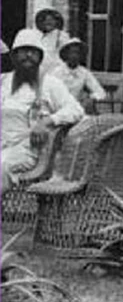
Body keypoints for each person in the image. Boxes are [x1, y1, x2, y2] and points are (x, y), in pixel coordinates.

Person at [1, 29, 84, 192]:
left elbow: (75, 109)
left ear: (40, 57)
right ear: (14, 56)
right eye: (23, 51)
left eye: (33, 52)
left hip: (28, 151)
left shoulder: (51, 84)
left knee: (1, 164)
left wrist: (47, 121)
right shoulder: (3, 81)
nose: (28, 56)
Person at [51, 37, 107, 112]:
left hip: (77, 109)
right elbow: (48, 92)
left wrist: (91, 98)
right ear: (66, 55)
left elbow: (101, 92)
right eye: (71, 52)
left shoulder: (84, 73)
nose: (74, 56)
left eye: (77, 53)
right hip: (58, 109)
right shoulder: (56, 72)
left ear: (81, 56)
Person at [34, 7, 71, 75]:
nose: (48, 22)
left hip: (57, 68)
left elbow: (66, 53)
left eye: (51, 20)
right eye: (45, 20)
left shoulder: (61, 35)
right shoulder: (37, 35)